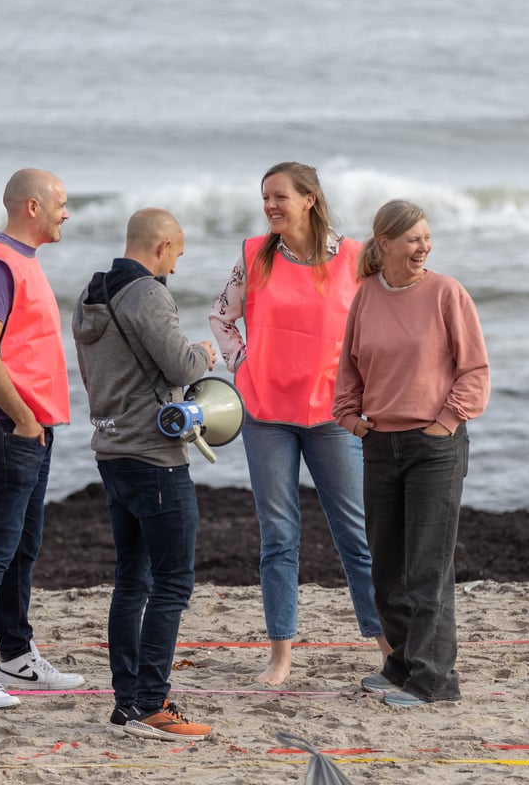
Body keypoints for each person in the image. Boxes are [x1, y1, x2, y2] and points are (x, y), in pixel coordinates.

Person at [209, 161, 389, 685]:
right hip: (266, 417)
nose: (269, 206)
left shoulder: (356, 258)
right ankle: (281, 656)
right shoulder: (254, 255)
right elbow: (222, 316)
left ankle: (386, 647)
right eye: (265, 197)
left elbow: (377, 327)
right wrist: (242, 363)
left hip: (332, 417)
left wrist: (366, 389)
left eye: (279, 197)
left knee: (355, 536)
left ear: (309, 199)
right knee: (279, 537)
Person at [333, 199, 490, 708]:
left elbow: (474, 370)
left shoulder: (447, 293)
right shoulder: (366, 296)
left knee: (427, 568)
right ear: (385, 243)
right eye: (413, 239)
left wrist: (446, 422)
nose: (424, 246)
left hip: (434, 447)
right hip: (379, 443)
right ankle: (400, 664)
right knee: (387, 567)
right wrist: (351, 417)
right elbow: (350, 366)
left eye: (427, 237)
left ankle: (434, 681)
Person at [73, 208, 217, 740]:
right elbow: (180, 366)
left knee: (131, 581)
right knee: (173, 582)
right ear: (160, 247)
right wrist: (204, 352)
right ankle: (152, 705)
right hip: (155, 457)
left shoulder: (91, 293)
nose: (175, 268)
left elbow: (93, 376)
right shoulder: (148, 294)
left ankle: (126, 703)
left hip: (110, 450)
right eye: (176, 255)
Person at [0, 168, 85, 709]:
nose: (66, 213)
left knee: (23, 545)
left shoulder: (24, 261)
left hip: (31, 426)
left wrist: (37, 422)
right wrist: (25, 418)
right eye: (60, 204)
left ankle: (17, 654)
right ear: (32, 206)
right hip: (4, 427)